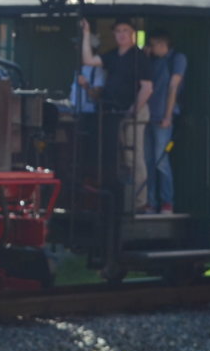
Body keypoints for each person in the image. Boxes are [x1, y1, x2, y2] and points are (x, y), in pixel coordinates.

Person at [80, 17, 153, 213]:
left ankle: (139, 202)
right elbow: (88, 60)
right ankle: (124, 198)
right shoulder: (113, 55)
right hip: (117, 113)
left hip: (135, 111)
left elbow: (147, 88)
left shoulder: (139, 57)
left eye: (125, 30)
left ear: (132, 34)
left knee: (134, 157)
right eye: (118, 30)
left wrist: (134, 110)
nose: (121, 34)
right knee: (121, 158)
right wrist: (86, 34)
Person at [144, 30, 186, 214]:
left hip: (163, 117)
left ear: (162, 45)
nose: (150, 49)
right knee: (148, 161)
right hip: (148, 116)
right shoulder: (151, 61)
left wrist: (168, 116)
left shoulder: (177, 59)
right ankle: (151, 202)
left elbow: (173, 87)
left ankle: (167, 201)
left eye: (153, 45)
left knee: (161, 160)